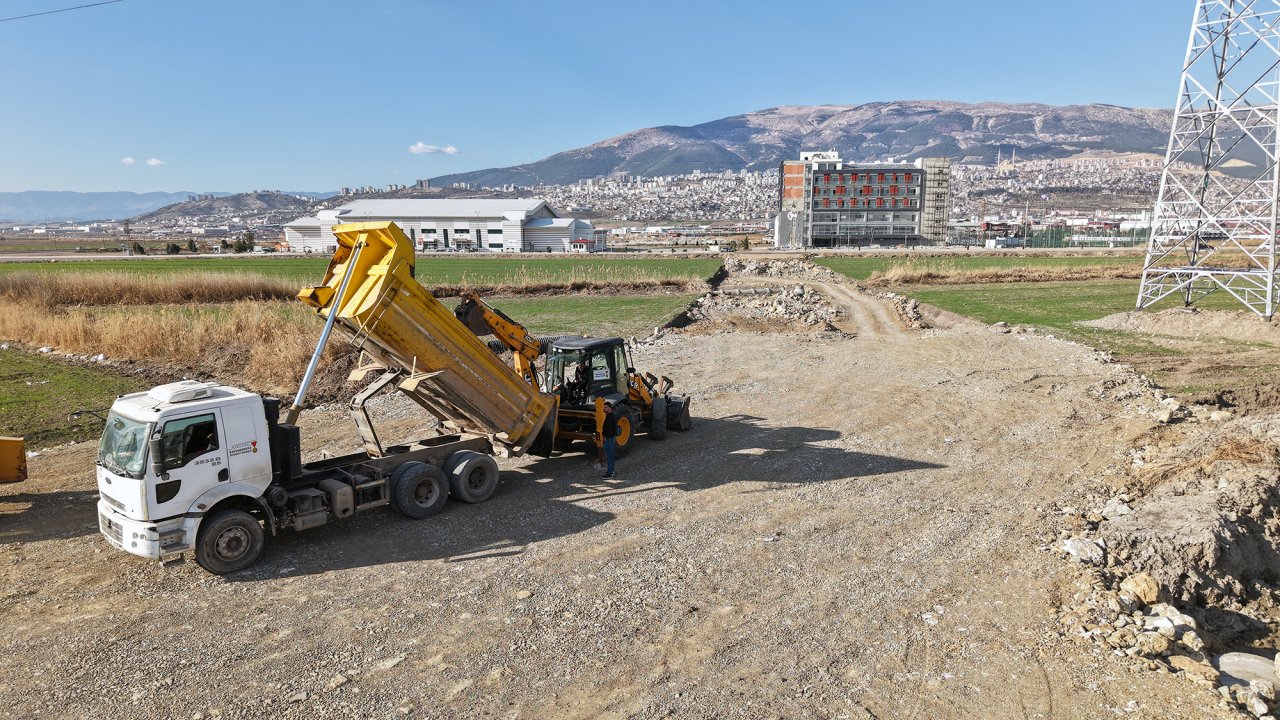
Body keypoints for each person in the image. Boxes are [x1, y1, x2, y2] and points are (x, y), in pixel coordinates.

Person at [600, 401, 618, 479]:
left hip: (609, 439)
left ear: (610, 408)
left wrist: (605, 436)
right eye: (604, 407)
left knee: (609, 456)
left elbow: (610, 430)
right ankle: (611, 471)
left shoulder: (610, 417)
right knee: (610, 456)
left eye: (606, 407)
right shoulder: (610, 416)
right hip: (610, 438)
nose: (604, 408)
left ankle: (610, 474)